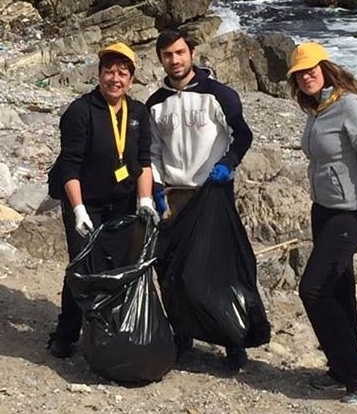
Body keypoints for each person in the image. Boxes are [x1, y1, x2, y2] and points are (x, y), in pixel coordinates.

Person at [286, 42, 357, 405]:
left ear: (326, 66)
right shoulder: (317, 108)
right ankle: (340, 367)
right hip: (324, 209)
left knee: (313, 290)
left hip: (352, 213)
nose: (306, 76)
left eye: (311, 69)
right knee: (337, 288)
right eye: (299, 73)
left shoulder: (350, 106)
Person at [145, 28, 253, 371]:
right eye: (167, 55)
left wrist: (228, 163)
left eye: (180, 52)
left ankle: (232, 342)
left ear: (191, 52)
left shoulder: (219, 95)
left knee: (218, 270)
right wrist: (158, 188)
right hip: (175, 195)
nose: (175, 60)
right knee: (171, 271)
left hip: (213, 192)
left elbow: (243, 134)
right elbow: (153, 151)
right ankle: (183, 335)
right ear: (160, 59)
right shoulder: (156, 103)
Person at [47, 42, 157, 358]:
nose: (115, 79)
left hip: (122, 202)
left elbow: (143, 161)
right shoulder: (80, 111)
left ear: (132, 79)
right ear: (98, 74)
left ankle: (108, 332)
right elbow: (70, 163)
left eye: (122, 73)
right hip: (86, 202)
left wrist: (146, 200)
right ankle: (66, 334)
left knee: (117, 267)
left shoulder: (138, 112)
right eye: (109, 71)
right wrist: (79, 209)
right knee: (82, 268)